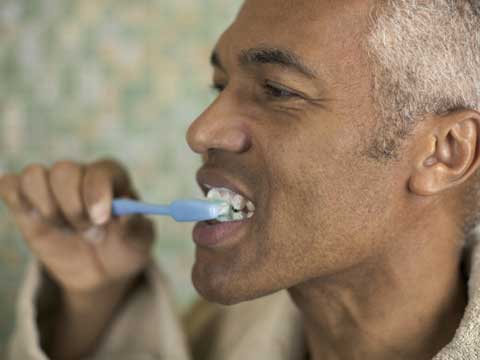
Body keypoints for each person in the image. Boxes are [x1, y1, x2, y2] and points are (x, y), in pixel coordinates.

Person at [2, 0, 480, 359]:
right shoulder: (217, 334)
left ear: (445, 152)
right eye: (218, 85)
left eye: (277, 90)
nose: (201, 131)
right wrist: (93, 303)